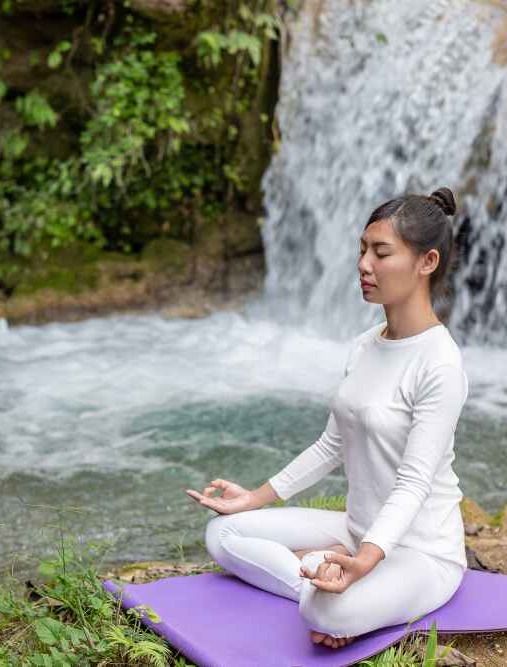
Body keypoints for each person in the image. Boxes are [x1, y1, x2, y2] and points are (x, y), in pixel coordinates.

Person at [185, 187, 470, 650]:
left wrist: (368, 561)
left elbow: (414, 482)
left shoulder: (440, 363)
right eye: (362, 250)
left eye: (381, 253)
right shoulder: (364, 345)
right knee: (223, 533)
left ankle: (330, 581)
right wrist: (253, 499)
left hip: (421, 552)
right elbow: (331, 445)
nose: (363, 265)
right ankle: (323, 571)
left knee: (324, 611)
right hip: (355, 529)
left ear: (427, 262)